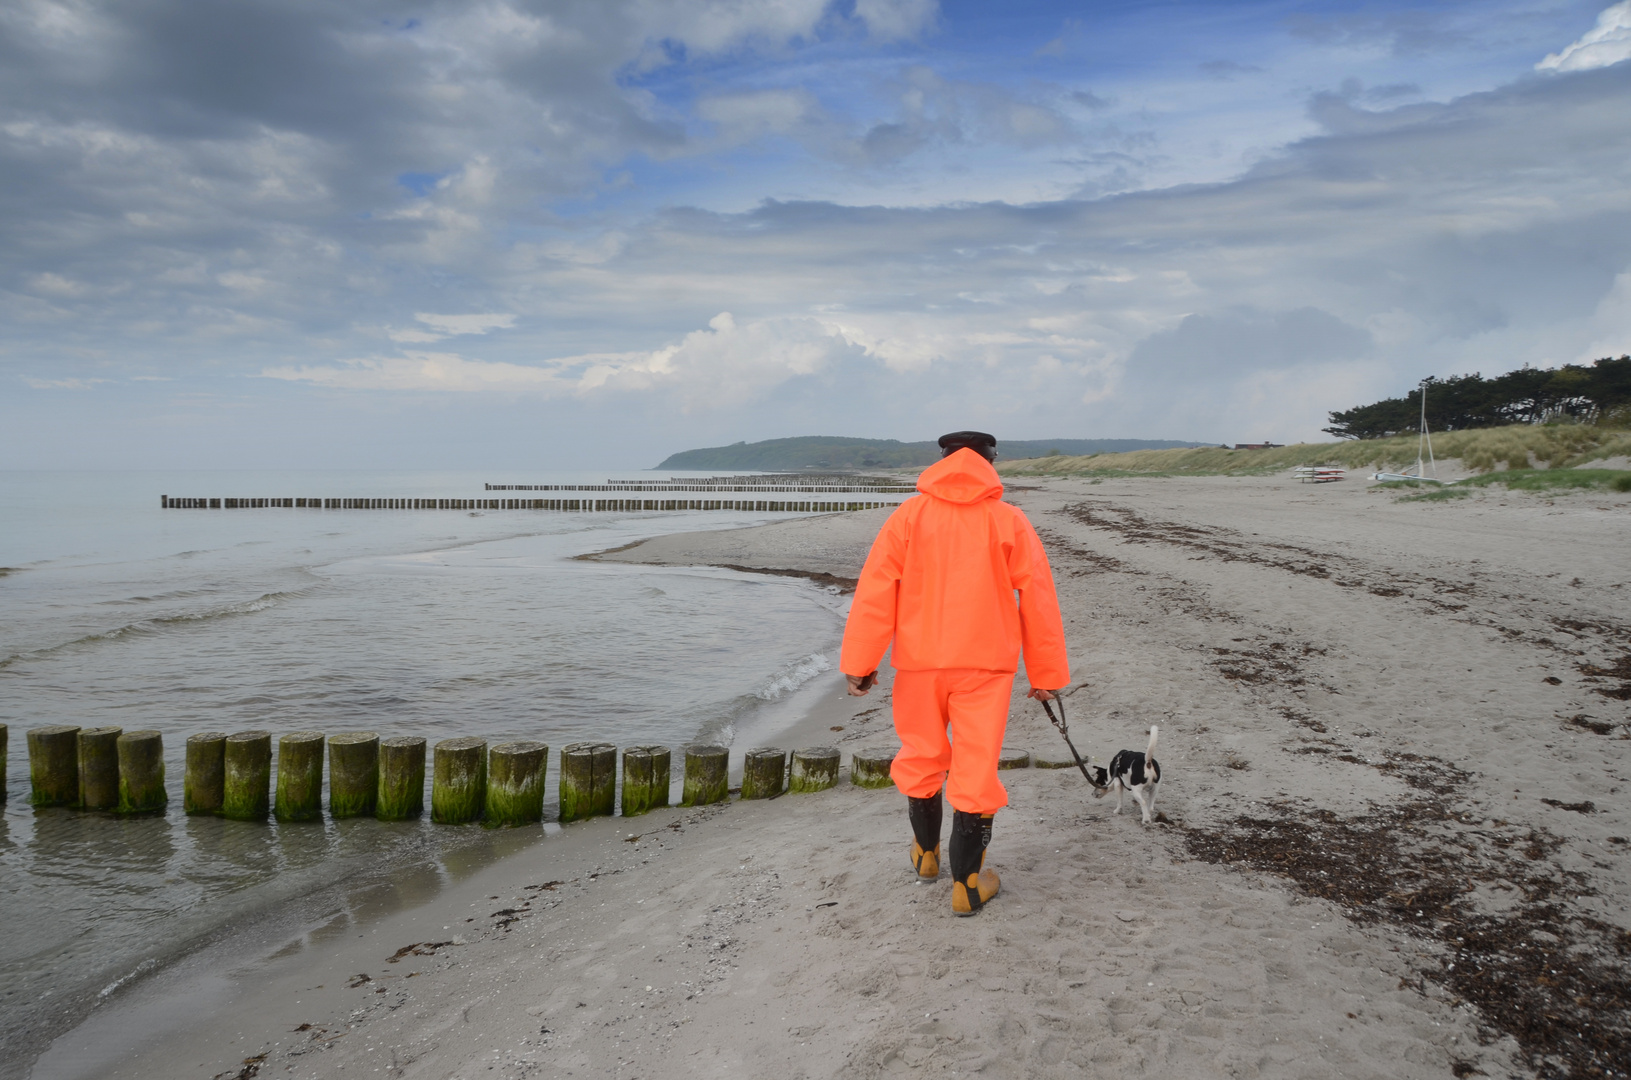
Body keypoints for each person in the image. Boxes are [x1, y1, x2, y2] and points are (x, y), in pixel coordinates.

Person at [840, 431, 1070, 915]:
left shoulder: (908, 516)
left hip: (921, 664)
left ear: (940, 462)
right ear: (991, 464)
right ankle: (966, 885)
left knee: (922, 755)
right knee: (975, 767)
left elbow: (876, 593)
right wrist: (1045, 673)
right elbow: (1039, 599)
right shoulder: (1007, 519)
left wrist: (860, 664)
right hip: (986, 666)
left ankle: (926, 856)